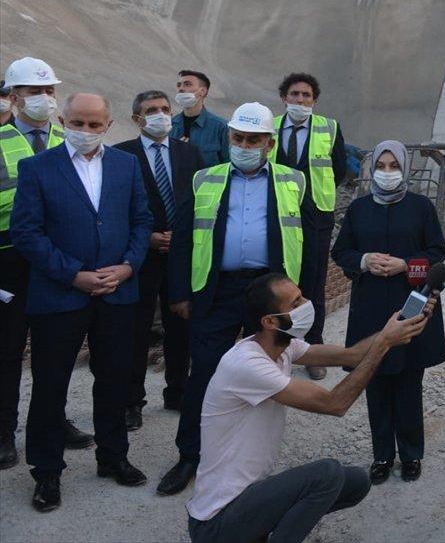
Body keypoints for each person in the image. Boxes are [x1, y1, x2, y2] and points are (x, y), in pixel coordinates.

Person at [186, 271, 434, 542]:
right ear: (270, 321)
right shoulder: (246, 365)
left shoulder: (282, 347)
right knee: (326, 474)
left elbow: (352, 355)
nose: (306, 304)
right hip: (216, 522)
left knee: (355, 483)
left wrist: (394, 329)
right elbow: (335, 404)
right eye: (295, 304)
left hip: (248, 501)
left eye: (301, 295)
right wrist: (384, 343)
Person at [11, 92, 154, 511]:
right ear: (62, 120)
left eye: (95, 125)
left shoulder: (126, 166)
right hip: (60, 296)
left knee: (114, 380)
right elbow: (27, 233)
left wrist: (129, 265)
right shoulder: (37, 168)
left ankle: (113, 457)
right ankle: (47, 472)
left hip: (116, 293)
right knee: (50, 386)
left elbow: (142, 221)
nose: (86, 132)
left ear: (109, 126)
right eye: (78, 123)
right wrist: (73, 274)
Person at [158, 101, 306, 496]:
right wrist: (181, 293)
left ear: (269, 144)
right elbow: (184, 239)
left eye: (253, 139)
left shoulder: (293, 181)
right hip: (217, 290)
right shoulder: (205, 179)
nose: (244, 145)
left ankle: (249, 458)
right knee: (205, 372)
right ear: (229, 138)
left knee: (267, 375)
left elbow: (301, 240)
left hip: (268, 292)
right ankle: (190, 454)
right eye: (238, 138)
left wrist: (299, 299)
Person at [331, 140, 445, 484]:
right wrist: (365, 261)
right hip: (369, 306)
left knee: (408, 382)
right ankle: (382, 454)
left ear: (404, 168)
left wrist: (406, 266)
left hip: (410, 302)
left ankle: (411, 454)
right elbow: (343, 252)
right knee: (376, 381)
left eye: (392, 166)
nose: (386, 173)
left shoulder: (421, 207)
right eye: (380, 166)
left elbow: (437, 253)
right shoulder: (359, 209)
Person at [0, 59, 95, 470]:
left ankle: (53, 420)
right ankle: (4, 431)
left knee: (54, 351)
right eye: (35, 92)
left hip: (58, 259)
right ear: (14, 96)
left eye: (49, 91)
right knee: (6, 351)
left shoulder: (68, 138)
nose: (44, 99)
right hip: (8, 260)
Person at [114, 91, 203, 430]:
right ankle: (131, 401)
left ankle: (178, 391)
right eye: (151, 110)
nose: (161, 115)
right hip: (141, 257)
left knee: (180, 327)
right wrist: (148, 236)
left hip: (180, 256)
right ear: (137, 118)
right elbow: (115, 206)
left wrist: (181, 237)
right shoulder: (121, 155)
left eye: (165, 109)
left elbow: (198, 202)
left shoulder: (189, 153)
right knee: (136, 331)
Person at [269, 73, 347, 378]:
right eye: (294, 94)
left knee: (313, 282)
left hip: (315, 216)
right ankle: (278, 347)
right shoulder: (271, 127)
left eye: (306, 96)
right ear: (284, 97)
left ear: (314, 100)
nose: (300, 100)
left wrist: (315, 197)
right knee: (278, 281)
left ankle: (312, 349)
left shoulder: (329, 128)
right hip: (276, 214)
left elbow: (338, 168)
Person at [172, 70, 229, 168]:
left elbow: (228, 164)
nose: (181, 89)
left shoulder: (220, 127)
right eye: (179, 85)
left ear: (202, 91)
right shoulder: (170, 126)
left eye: (187, 84)